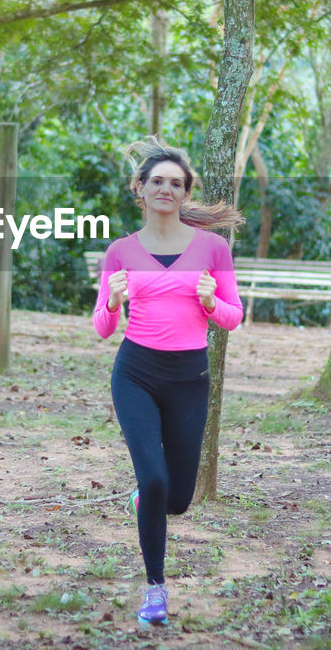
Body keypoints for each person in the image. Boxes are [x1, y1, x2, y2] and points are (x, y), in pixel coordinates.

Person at [92, 137, 244, 626]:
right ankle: (155, 590)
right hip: (135, 372)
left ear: (184, 193)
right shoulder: (120, 252)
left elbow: (232, 317)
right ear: (139, 188)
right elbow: (102, 327)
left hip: (188, 376)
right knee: (153, 479)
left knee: (177, 498)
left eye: (175, 183)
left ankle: (146, 501)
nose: (165, 188)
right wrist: (113, 302)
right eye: (156, 180)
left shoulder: (212, 249)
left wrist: (207, 302)